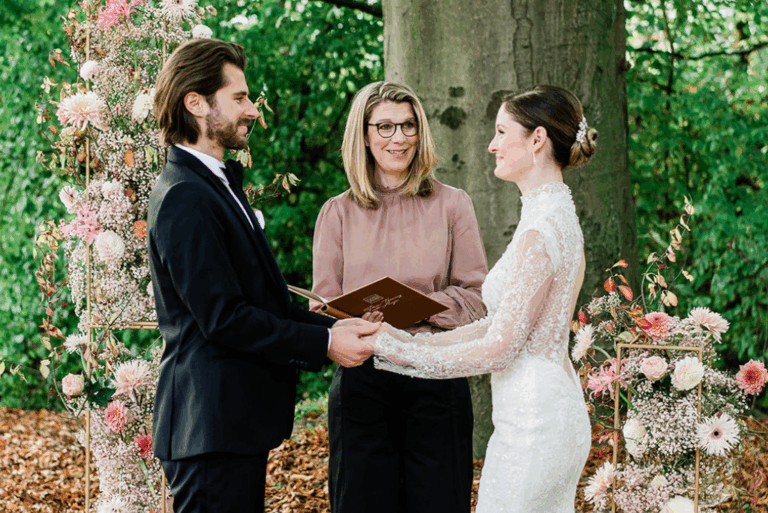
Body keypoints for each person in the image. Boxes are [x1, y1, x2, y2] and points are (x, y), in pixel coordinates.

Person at [147, 39, 379, 513]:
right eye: (239, 98)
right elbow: (224, 319)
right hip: (206, 430)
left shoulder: (216, 181)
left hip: (228, 426)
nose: (252, 109)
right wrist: (325, 345)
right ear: (196, 103)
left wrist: (333, 326)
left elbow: (260, 300)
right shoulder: (185, 197)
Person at [371, 85, 597, 513]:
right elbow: (498, 327)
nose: (492, 145)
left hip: (535, 422)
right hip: (541, 406)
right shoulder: (553, 217)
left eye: (500, 131)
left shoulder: (541, 230)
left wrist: (397, 352)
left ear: (537, 140)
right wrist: (404, 341)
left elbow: (500, 347)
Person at [312, 81, 488, 513]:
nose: (399, 138)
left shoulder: (453, 204)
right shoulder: (337, 212)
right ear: (365, 134)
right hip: (363, 384)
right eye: (386, 127)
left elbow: (478, 300)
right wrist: (352, 322)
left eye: (408, 126)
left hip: (436, 378)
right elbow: (321, 310)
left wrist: (420, 304)